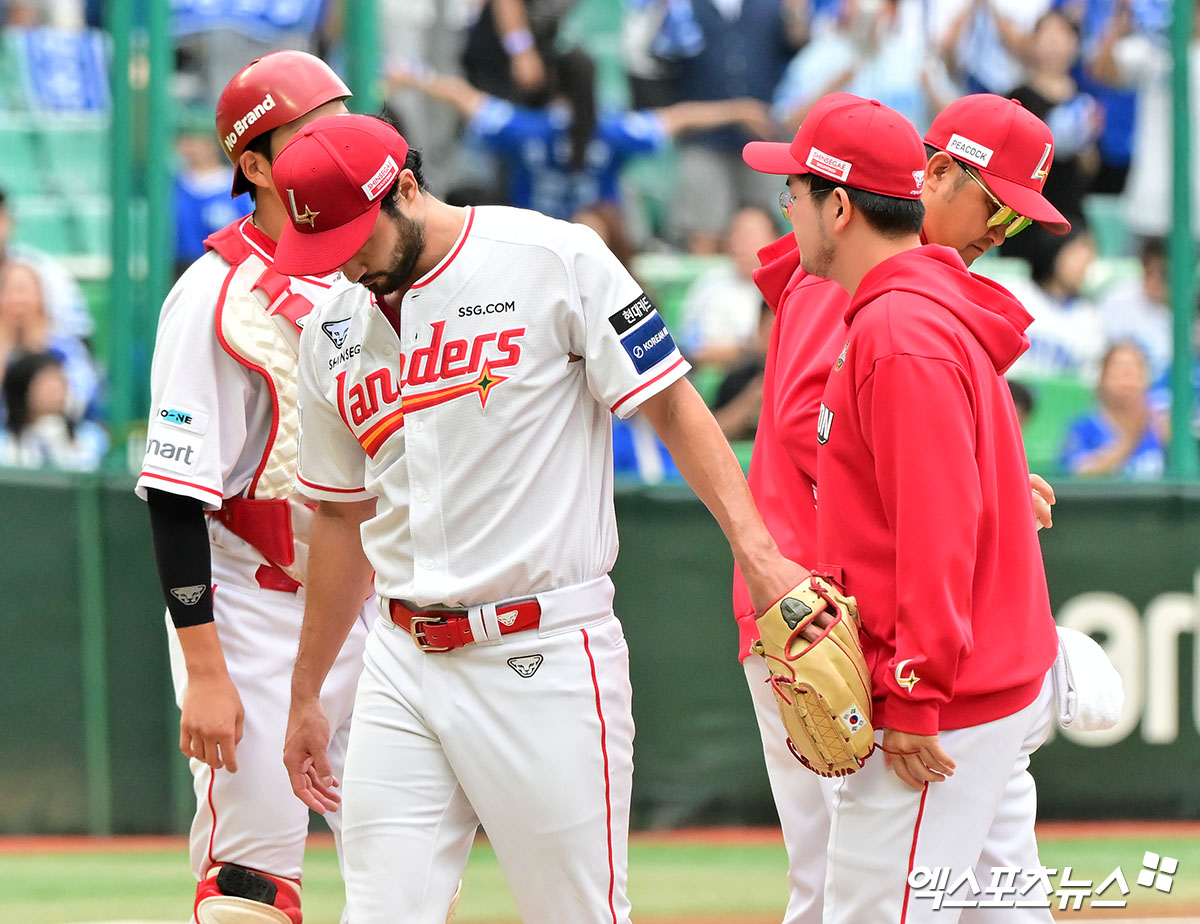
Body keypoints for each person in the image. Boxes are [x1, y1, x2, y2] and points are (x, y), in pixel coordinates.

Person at [268, 112, 807, 924]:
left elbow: (670, 407)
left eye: (354, 236)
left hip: (541, 652)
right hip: (400, 660)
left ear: (405, 189)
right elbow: (343, 521)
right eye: (324, 245)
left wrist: (759, 554)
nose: (344, 260)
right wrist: (308, 690)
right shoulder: (332, 330)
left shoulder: (553, 258)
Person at [736, 92, 1066, 923]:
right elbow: (819, 430)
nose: (1003, 232)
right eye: (999, 206)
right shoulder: (859, 284)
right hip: (836, 622)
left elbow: (930, 497)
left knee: (865, 896)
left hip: (917, 649)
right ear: (934, 174)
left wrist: (965, 475)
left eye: (1019, 223)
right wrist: (962, 476)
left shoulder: (901, 301)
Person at [134, 51, 370, 924]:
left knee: (407, 865)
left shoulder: (380, 267)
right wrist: (205, 672)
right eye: (311, 133)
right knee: (251, 889)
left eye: (343, 121)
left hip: (377, 601)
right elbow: (173, 493)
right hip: (255, 604)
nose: (336, 144)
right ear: (258, 166)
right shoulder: (212, 295)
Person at [386, 48, 771, 222]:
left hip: (534, 252)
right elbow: (681, 117)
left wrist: (419, 78)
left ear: (555, 85)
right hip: (600, 255)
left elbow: (468, 99)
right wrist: (740, 109)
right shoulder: (614, 132)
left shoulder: (527, 130)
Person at [1060, 340, 1166, 477]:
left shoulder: (1160, 424)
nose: (1127, 381)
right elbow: (1078, 474)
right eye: (1119, 371)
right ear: (1103, 377)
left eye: (1134, 371)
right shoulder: (1082, 427)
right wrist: (1129, 441)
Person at [0, 350, 107, 470]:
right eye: (47, 385)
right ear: (24, 390)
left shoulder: (90, 438)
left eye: (61, 383)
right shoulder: (5, 443)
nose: (57, 393)